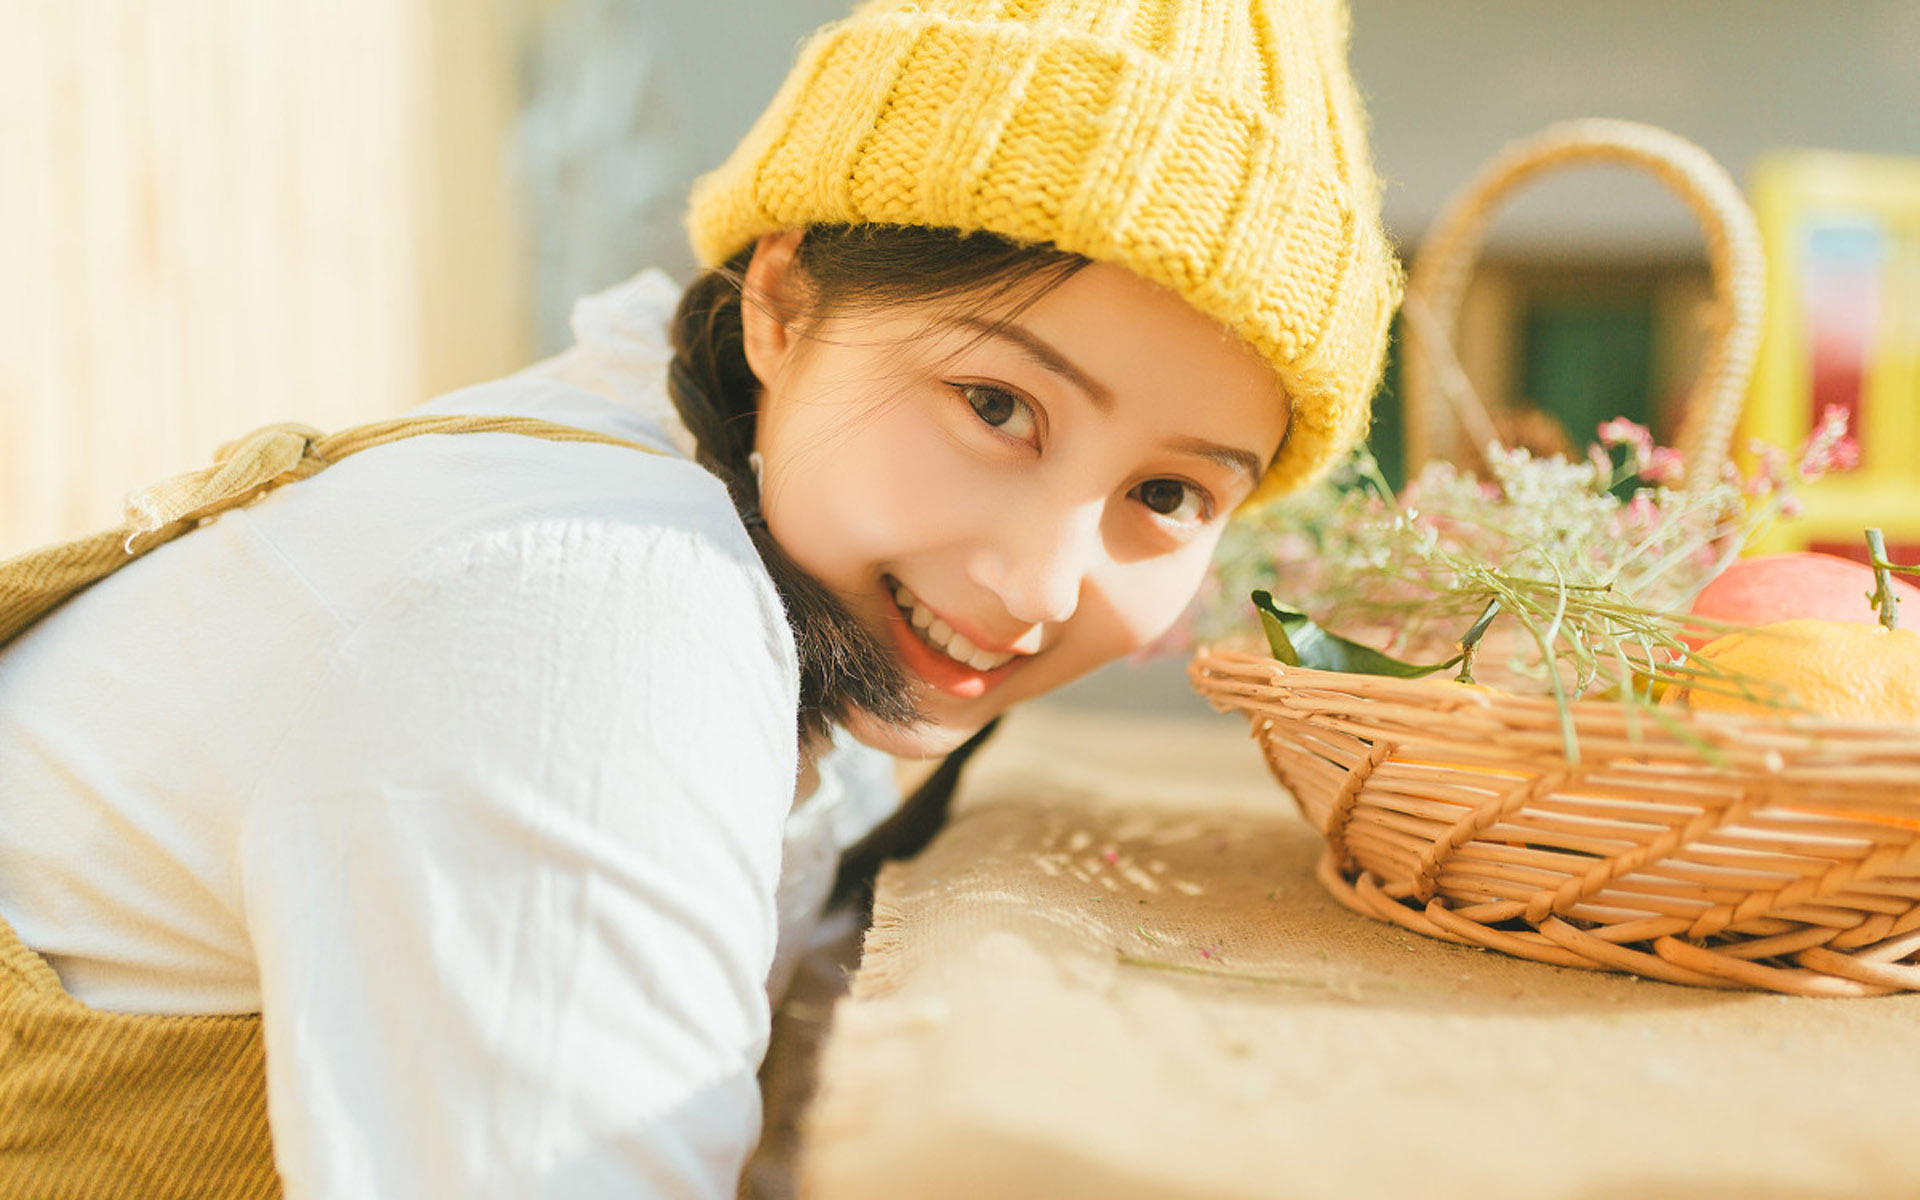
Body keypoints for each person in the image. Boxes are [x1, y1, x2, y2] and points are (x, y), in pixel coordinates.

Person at [0, 0, 1399, 1195]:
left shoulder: (768, 527)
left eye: (1170, 498)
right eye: (995, 404)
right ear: (781, 304)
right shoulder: (589, 614)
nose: (1037, 583)